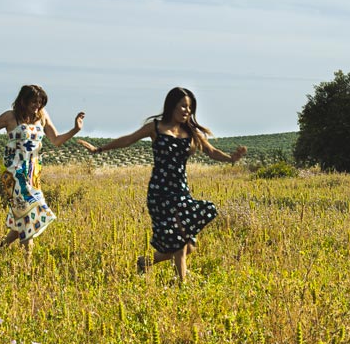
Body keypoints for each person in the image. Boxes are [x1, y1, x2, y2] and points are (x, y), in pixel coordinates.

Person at [77, 87, 246, 283]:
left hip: (181, 191)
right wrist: (99, 149)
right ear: (172, 105)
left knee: (187, 243)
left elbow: (211, 151)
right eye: (184, 106)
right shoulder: (155, 127)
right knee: (181, 243)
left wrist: (231, 158)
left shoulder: (190, 132)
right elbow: (128, 140)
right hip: (159, 192)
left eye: (190, 108)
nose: (187, 111)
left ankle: (146, 262)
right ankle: (182, 284)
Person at [0, 85, 84, 253]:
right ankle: (27, 265)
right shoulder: (10, 117)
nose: (37, 105)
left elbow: (56, 140)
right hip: (15, 173)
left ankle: (1, 245)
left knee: (28, 212)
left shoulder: (42, 116)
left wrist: (76, 129)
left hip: (33, 173)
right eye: (33, 102)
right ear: (23, 101)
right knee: (28, 213)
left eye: (40, 102)